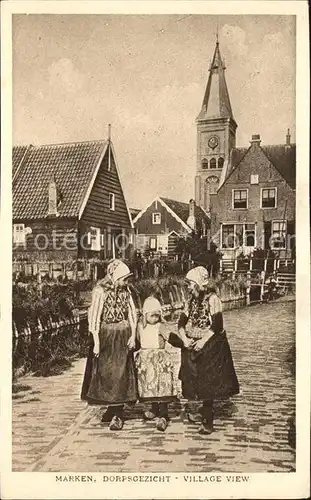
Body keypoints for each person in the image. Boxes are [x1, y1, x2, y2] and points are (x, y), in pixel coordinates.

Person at [177, 266, 239, 435]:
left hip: (210, 345)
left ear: (198, 283)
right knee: (194, 379)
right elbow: (181, 323)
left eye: (190, 284)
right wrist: (185, 339)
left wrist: (203, 342)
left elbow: (218, 325)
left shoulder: (213, 300)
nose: (188, 288)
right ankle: (202, 410)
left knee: (208, 381)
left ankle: (208, 418)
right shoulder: (190, 301)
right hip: (192, 344)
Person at [81, 259, 138, 431]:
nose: (126, 282)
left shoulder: (125, 290)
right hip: (106, 336)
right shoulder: (100, 291)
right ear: (116, 276)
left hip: (122, 335)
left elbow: (132, 313)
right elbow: (94, 317)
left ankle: (117, 412)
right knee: (107, 372)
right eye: (124, 278)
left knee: (122, 373)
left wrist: (133, 335)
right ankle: (110, 407)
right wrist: (96, 342)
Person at [134, 297, 181, 432]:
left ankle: (163, 413)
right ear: (145, 314)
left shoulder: (160, 326)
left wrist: (181, 343)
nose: (154, 318)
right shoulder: (140, 326)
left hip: (159, 359)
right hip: (146, 359)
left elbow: (170, 337)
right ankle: (154, 408)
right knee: (151, 387)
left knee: (161, 386)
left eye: (157, 315)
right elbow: (137, 341)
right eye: (152, 315)